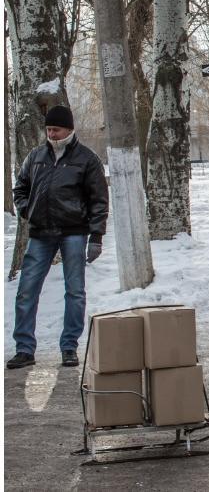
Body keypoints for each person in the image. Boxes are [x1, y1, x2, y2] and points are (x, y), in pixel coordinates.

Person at [8, 105, 108, 370]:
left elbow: (99, 200)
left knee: (74, 291)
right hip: (40, 233)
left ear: (69, 129)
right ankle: (24, 349)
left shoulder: (87, 159)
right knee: (26, 291)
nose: (51, 134)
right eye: (48, 129)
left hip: (73, 232)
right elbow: (20, 187)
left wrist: (96, 235)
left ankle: (69, 347)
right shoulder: (35, 156)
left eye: (56, 129)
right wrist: (26, 209)